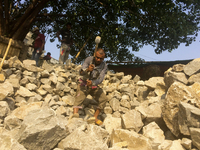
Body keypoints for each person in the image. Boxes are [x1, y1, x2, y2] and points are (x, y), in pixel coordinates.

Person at [72, 48, 108, 126]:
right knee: (79, 99)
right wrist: (87, 70)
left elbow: (100, 79)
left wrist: (92, 83)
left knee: (104, 99)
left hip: (93, 86)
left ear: (103, 58)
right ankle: (75, 115)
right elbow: (80, 72)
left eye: (101, 58)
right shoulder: (89, 60)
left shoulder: (104, 65)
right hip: (83, 84)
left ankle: (94, 118)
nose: (98, 60)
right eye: (97, 57)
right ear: (95, 55)